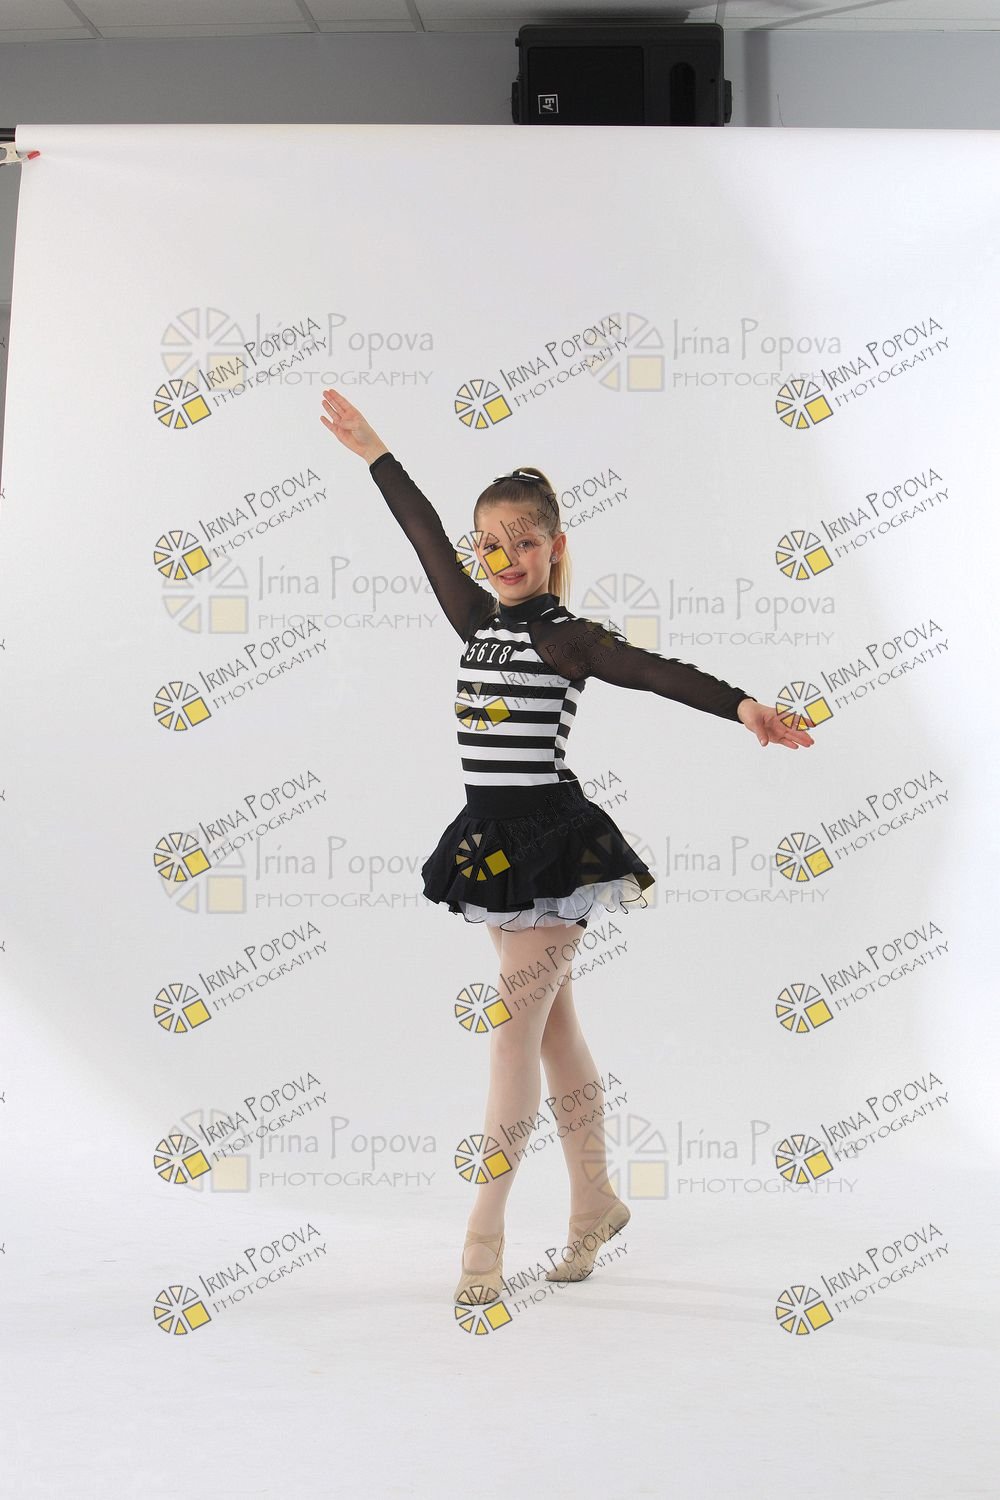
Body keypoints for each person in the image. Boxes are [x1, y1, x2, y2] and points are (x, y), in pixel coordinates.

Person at [319, 388, 815, 1306]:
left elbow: (655, 672)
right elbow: (421, 534)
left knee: (511, 1037)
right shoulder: (475, 620)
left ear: (554, 545)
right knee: (553, 1032)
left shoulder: (567, 638)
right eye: (490, 546)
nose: (505, 559)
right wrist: (376, 452)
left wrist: (744, 705)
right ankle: (595, 1202)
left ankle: (483, 1239)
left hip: (549, 844)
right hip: (488, 842)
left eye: (523, 542)